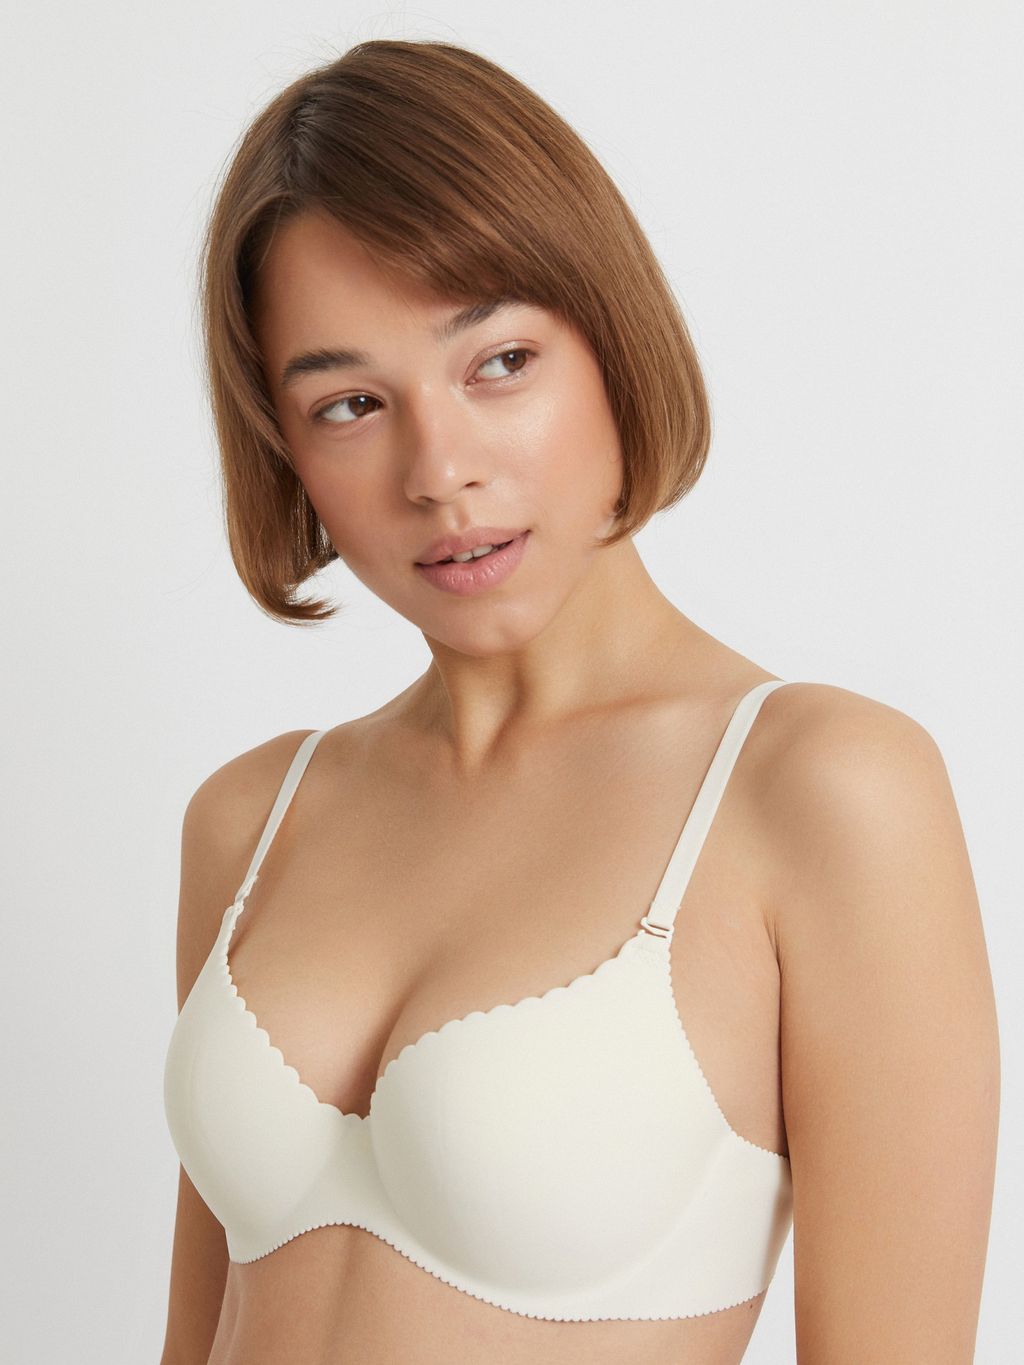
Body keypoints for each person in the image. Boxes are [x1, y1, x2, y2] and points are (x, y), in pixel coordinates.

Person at [159, 38, 999, 1365]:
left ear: (611, 342)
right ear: (284, 447)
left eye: (498, 361)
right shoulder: (254, 817)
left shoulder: (819, 789)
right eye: (351, 402)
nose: (439, 471)